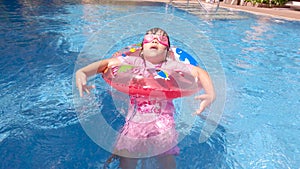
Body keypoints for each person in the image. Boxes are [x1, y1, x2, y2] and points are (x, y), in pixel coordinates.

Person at [76, 28, 215, 169]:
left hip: (163, 123)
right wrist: (83, 72)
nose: (155, 40)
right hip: (135, 122)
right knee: (127, 160)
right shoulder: (132, 61)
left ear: (167, 51)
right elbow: (106, 64)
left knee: (167, 161)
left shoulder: (171, 65)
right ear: (142, 49)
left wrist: (210, 94)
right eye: (149, 38)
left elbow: (199, 72)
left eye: (162, 39)